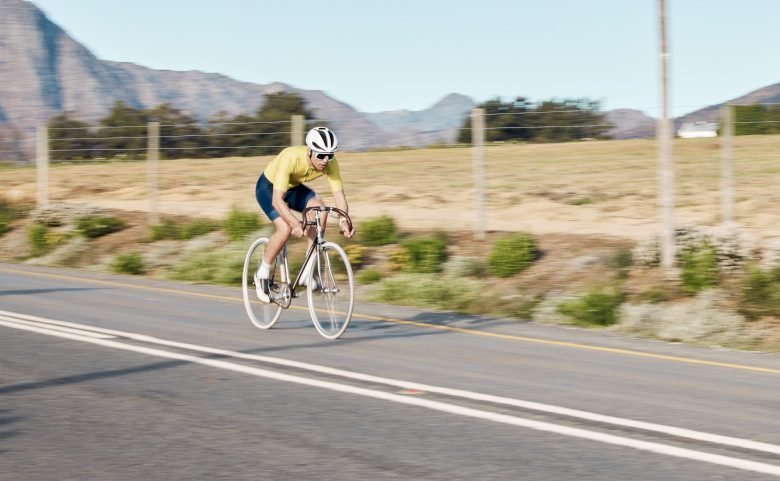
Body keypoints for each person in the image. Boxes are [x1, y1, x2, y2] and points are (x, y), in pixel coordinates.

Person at [253, 126, 355, 302]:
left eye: (330, 155)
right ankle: (262, 274)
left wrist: (344, 221)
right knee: (284, 229)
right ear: (310, 152)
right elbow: (277, 201)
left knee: (320, 211)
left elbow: (340, 197)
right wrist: (294, 223)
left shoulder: (331, 164)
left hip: (294, 188)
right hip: (268, 188)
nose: (325, 160)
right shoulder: (290, 158)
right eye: (321, 155)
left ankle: (307, 273)